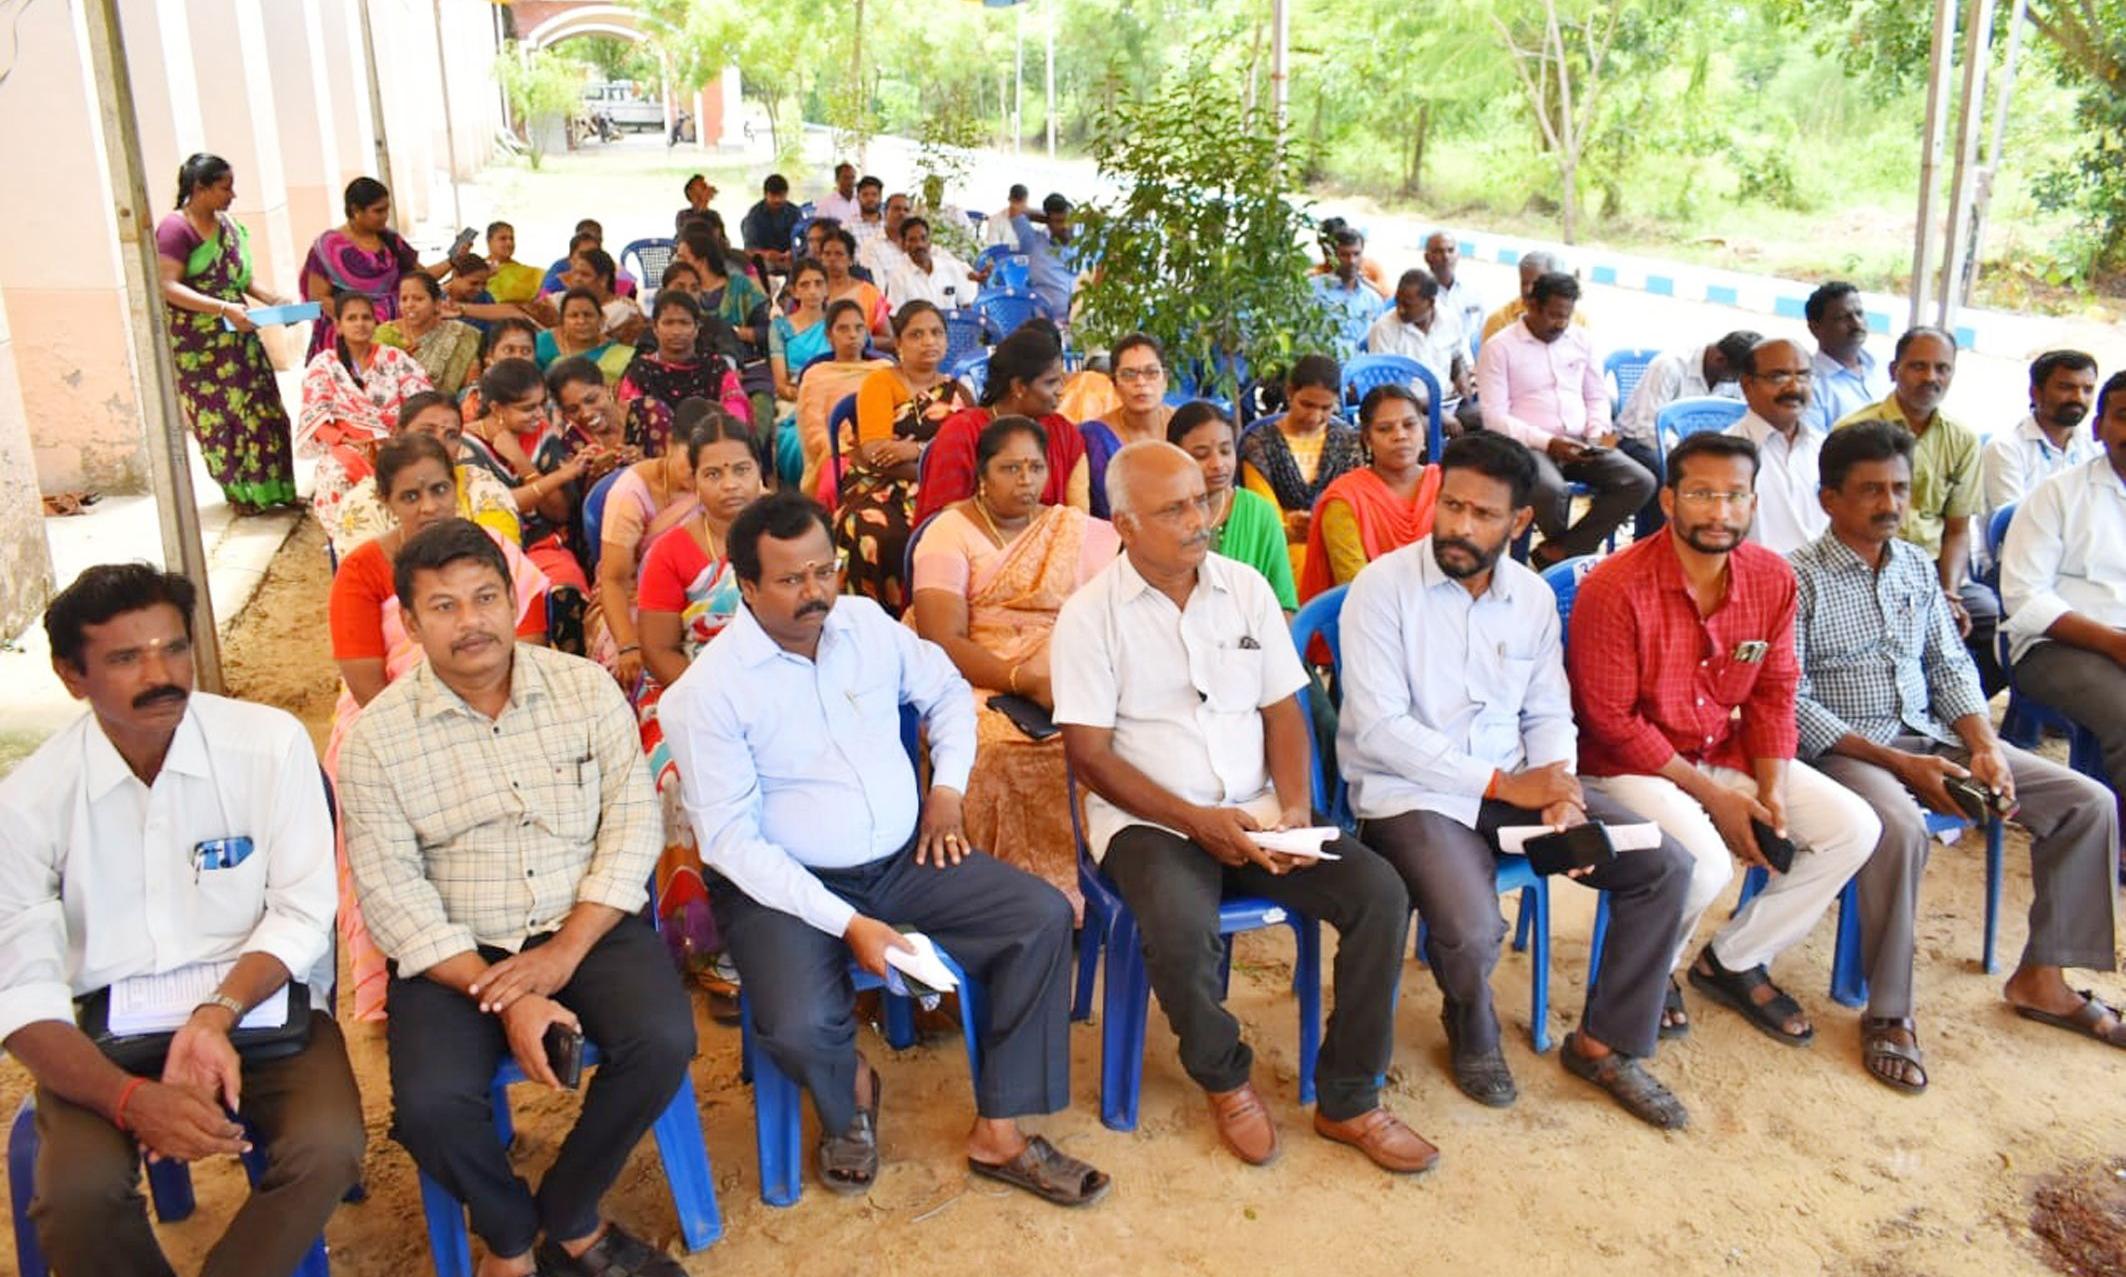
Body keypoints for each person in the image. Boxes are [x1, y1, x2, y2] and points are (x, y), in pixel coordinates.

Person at [659, 493, 1111, 1205]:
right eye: (790, 580)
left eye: (823, 570)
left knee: (1040, 916)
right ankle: (851, 1094)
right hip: (783, 884)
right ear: (744, 586)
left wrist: (949, 791)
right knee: (801, 1020)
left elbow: (947, 695)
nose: (815, 593)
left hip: (904, 858)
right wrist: (849, 924)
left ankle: (1000, 1130)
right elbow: (731, 842)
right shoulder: (706, 693)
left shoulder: (865, 625)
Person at [1052, 441, 1434, 1173]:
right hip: (1152, 823)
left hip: (1259, 812)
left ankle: (1350, 1095)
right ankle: (1225, 1076)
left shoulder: (1247, 588)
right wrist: (1198, 823)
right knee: (1177, 921)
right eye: (1176, 508)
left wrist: (1294, 805)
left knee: (1379, 891)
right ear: (1125, 524)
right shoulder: (1088, 616)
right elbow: (1090, 757)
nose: (1200, 518)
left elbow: (1283, 711)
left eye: (1203, 499)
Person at [339, 518, 692, 1277]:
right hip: (458, 952)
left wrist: (563, 954)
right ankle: (507, 1236)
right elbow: (393, 891)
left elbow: (633, 824)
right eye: (443, 606)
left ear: (512, 601)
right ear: (409, 621)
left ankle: (568, 1210)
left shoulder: (585, 688)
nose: (471, 622)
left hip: (584, 922)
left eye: (485, 597)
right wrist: (504, 991)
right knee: (430, 1106)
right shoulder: (376, 738)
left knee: (664, 1040)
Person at [0, 565, 361, 1277]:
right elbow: (22, 989)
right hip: (110, 1037)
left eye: (173, 648)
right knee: (73, 1195)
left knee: (329, 1145)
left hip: (254, 1008)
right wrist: (130, 1100)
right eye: (127, 657)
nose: (161, 673)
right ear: (72, 675)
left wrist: (214, 1015)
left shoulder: (268, 745)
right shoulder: (31, 801)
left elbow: (301, 909)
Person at [1338, 433, 1695, 1126]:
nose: (1460, 527)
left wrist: (1559, 781)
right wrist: (1506, 783)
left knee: (1661, 864)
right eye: (1451, 506)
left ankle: (1604, 1042)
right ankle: (1471, 1021)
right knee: (1473, 930)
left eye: (1483, 514)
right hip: (1412, 794)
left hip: (1519, 785)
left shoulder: (1529, 596)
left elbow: (1548, 706)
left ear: (1520, 521)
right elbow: (1381, 731)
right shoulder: (1383, 589)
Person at [1793, 420, 2122, 1090]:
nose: (1890, 504)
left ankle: (2042, 978)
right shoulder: (1797, 578)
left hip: (1933, 734)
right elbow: (1793, 703)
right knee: (1900, 826)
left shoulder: (1915, 565)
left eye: (1901, 488)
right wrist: (1902, 765)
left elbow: (1949, 668)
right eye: (1870, 491)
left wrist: (1983, 746)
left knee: (2087, 802)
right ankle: (1888, 1012)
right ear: (1829, 499)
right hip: (1847, 748)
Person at [1569, 431, 1879, 1044]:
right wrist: (1717, 801)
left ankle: (1733, 958)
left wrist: (1774, 789)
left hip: (1716, 748)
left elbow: (1775, 691)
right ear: (1668, 501)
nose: (1719, 512)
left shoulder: (1770, 577)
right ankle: (1652, 973)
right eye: (1702, 494)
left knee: (1853, 828)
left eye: (1735, 496)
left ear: (1754, 504)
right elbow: (1612, 722)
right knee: (1701, 866)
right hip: (1627, 765)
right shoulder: (1615, 586)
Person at [328, 435, 551, 1021]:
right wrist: (433, 732)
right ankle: (399, 970)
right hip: (392, 717)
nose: (427, 506)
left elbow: (527, 648)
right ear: (385, 503)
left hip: (501, 700)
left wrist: (487, 712)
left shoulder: (494, 551)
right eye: (410, 496)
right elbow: (363, 680)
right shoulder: (362, 570)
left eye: (437, 491)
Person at [911, 416, 1123, 917]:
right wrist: (1021, 680)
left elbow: (1115, 607)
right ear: (982, 474)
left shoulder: (1068, 530)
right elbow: (942, 639)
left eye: (1034, 467)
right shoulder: (949, 532)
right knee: (988, 748)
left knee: (1121, 734)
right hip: (975, 674)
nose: (1025, 480)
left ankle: (1098, 891)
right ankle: (997, 906)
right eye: (1009, 468)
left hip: (1064, 670)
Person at [633, 414, 767, 975]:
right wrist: (711, 704)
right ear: (694, 481)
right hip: (685, 686)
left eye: (741, 469)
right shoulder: (670, 551)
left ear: (761, 471)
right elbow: (658, 648)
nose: (730, 484)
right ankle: (707, 939)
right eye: (714, 473)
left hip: (780, 687)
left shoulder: (789, 534)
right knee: (679, 776)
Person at [1834, 327, 2000, 695]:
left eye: (1943, 368)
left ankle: (1940, 704)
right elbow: (1838, 522)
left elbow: (1958, 530)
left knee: (1993, 622)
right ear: (1894, 370)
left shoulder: (1962, 439)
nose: (1931, 378)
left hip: (1934, 573)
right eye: (1918, 366)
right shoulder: (1854, 431)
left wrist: (1949, 592)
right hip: (1866, 569)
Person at [2001, 370, 2126, 797]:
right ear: (2098, 427)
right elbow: (2025, 598)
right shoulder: (2058, 494)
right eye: (2124, 416)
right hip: (2055, 647)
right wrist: (2113, 643)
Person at [154, 153, 300, 513]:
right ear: (199, 188)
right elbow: (167, 285)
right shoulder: (175, 229)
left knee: (264, 411)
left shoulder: (229, 227)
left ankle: (276, 489)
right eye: (224, 187)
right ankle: (241, 495)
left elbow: (240, 277)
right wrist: (221, 308)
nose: (232, 195)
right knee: (224, 418)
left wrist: (272, 298)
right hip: (201, 344)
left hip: (241, 335)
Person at [1477, 271, 1653, 567]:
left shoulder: (1581, 340)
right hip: (1526, 446)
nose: (1560, 324)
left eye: (1566, 316)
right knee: (1550, 490)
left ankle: (1559, 552)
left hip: (1581, 441)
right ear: (1531, 306)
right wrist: (1548, 442)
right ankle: (1571, 560)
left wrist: (1597, 432)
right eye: (1553, 315)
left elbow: (1597, 395)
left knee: (1641, 480)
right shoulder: (1499, 347)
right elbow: (1494, 418)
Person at [834, 302, 978, 607]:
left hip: (945, 486)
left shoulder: (960, 392)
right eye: (916, 335)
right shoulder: (880, 383)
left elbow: (971, 450)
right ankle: (875, 621)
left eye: (937, 333)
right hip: (878, 485)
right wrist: (936, 462)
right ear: (898, 343)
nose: (929, 341)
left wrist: (915, 450)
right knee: (876, 535)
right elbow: (875, 454)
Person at [915, 326, 1089, 529]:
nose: (1061, 391)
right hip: (972, 549)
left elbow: (1079, 517)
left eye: (1061, 380)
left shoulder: (1064, 433)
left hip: (1053, 548)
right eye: (1051, 383)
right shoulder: (962, 432)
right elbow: (944, 520)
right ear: (1019, 387)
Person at [587, 399, 708, 688]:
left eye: (708, 465)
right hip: (635, 599)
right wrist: (628, 644)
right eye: (689, 459)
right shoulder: (631, 492)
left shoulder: (724, 481)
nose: (698, 470)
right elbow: (614, 580)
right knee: (638, 674)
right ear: (669, 444)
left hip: (705, 593)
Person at [328, 391, 523, 563]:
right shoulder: (364, 499)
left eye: (451, 435)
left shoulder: (481, 486)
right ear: (398, 434)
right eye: (427, 432)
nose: (439, 443)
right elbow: (363, 574)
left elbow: (501, 559)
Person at [300, 291, 434, 537]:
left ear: (375, 323)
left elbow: (422, 400)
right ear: (338, 326)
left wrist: (402, 433)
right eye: (352, 318)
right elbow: (316, 415)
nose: (360, 323)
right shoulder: (324, 364)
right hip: (348, 447)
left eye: (366, 317)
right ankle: (349, 548)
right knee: (335, 478)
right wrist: (346, 441)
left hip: (396, 442)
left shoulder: (394, 358)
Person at [1298, 383, 1444, 599]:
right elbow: (1356, 588)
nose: (1400, 435)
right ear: (1367, 439)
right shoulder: (1345, 500)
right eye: (1385, 429)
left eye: (1409, 425)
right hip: (1373, 619)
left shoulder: (1448, 487)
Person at [1616, 331, 1758, 532]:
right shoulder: (1669, 366)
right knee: (1667, 476)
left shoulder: (1731, 375)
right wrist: (1692, 455)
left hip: (1698, 451)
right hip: (1641, 443)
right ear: (1721, 360)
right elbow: (1645, 427)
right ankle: (1654, 543)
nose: (1741, 383)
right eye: (1738, 377)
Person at [1169, 400, 1298, 610]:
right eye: (1201, 455)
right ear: (1175, 456)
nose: (1218, 464)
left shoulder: (1259, 513)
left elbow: (1284, 604)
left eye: (1226, 451)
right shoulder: (1160, 517)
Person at [1240, 354, 1363, 570]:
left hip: (1339, 543)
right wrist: (1291, 529)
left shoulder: (1347, 441)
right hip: (1280, 545)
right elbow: (1264, 518)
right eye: (1307, 405)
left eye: (1325, 409)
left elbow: (1357, 505)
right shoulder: (1260, 445)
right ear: (1289, 393)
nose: (1314, 417)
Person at [302, 176, 448, 358]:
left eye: (387, 210)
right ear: (356, 210)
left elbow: (423, 278)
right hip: (352, 339)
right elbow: (319, 297)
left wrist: (453, 261)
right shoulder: (329, 247)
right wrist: (362, 323)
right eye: (378, 211)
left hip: (397, 334)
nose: (385, 216)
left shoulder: (391, 240)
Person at [1726, 337, 1828, 554]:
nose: (1794, 387)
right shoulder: (1725, 455)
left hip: (1826, 581)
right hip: (1758, 580)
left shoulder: (1825, 448)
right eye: (1778, 376)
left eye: (1803, 375)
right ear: (1747, 385)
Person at [1982, 350, 2101, 517]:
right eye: (2066, 387)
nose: (2078, 398)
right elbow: (2015, 524)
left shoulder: (2095, 450)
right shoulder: (2005, 448)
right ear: (2035, 392)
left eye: (2087, 390)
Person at [619, 292, 739, 458]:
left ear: (697, 328)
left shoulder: (714, 367)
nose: (676, 331)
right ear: (655, 328)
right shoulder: (640, 370)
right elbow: (626, 415)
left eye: (684, 323)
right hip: (653, 460)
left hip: (712, 451)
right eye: (668, 323)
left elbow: (736, 407)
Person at [795, 299, 894, 493]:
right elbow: (814, 433)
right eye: (843, 329)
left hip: (886, 449)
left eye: (859, 328)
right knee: (833, 486)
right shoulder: (816, 376)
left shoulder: (885, 369)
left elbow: (900, 414)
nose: (852, 335)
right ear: (829, 335)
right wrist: (848, 452)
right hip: (838, 455)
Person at [1364, 268, 1474, 432]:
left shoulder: (1450, 319)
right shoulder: (1383, 329)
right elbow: (1388, 392)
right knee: (1427, 429)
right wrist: (1437, 412)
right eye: (1397, 301)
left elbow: (1456, 358)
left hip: (1449, 401)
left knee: (1481, 419)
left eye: (1407, 305)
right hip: (1407, 407)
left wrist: (1462, 380)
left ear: (1430, 302)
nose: (1400, 309)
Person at [1081, 333, 1175, 518]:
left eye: (1151, 373)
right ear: (1114, 384)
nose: (1140, 383)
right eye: (1128, 375)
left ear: (1165, 380)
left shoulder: (1186, 425)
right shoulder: (1094, 437)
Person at [1800, 281, 1890, 433]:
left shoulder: (1883, 367)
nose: (1857, 324)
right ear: (1815, 327)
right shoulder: (1811, 386)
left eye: (1859, 314)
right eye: (1843, 318)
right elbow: (1815, 448)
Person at [377, 272, 482, 397]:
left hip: (446, 411)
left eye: (418, 299)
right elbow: (374, 383)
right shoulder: (385, 334)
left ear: (437, 303)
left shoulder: (461, 335)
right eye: (404, 299)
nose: (409, 305)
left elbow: (470, 389)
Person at [1479, 252, 1588, 342]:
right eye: (1524, 283)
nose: (1528, 289)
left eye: (1536, 283)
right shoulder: (1500, 320)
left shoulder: (1579, 320)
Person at [1313, 227, 1387, 357]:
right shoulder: (1313, 289)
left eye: (1356, 254)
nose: (1352, 261)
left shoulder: (1373, 300)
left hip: (1359, 371)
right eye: (1345, 255)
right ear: (1333, 256)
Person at [884, 215, 984, 310]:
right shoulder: (897, 276)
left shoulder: (950, 267)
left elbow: (967, 304)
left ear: (930, 241)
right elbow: (895, 317)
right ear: (904, 245)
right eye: (912, 240)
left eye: (923, 238)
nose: (919, 245)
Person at [533, 289, 633, 385]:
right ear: (562, 321)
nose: (581, 321)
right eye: (573, 315)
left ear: (602, 318)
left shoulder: (620, 355)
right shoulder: (542, 342)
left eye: (588, 315)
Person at [770, 258, 833, 400]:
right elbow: (781, 384)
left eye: (818, 283)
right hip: (798, 398)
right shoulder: (780, 327)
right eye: (805, 285)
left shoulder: (838, 323)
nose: (812, 291)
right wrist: (806, 397)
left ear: (826, 288)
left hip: (836, 392)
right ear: (794, 292)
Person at [819, 227, 893, 347]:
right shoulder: (812, 292)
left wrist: (860, 342)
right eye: (827, 254)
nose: (832, 259)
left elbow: (888, 338)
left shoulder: (869, 293)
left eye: (839, 254)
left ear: (851, 259)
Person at [1013, 192, 1079, 322]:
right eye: (1059, 221)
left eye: (1069, 221)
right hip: (1048, 321)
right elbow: (1016, 210)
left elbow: (1107, 224)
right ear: (1047, 222)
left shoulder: (1085, 243)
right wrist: (1043, 216)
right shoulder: (1033, 242)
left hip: (1084, 321)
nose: (1065, 226)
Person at [1425, 231, 1487, 362]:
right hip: (1431, 365)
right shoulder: (1418, 292)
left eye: (1451, 250)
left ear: (1458, 255)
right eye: (1438, 251)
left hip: (1468, 365)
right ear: (1427, 257)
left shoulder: (1473, 292)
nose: (1446, 257)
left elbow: (1482, 334)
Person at [1309, 217, 1391, 296]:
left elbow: (1386, 295)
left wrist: (1359, 279)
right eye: (1325, 248)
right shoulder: (1315, 275)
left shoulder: (1370, 266)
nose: (1351, 260)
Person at [743, 174, 801, 272]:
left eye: (781, 196)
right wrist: (765, 254)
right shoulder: (754, 215)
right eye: (773, 196)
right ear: (765, 194)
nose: (777, 200)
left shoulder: (794, 212)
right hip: (766, 260)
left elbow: (803, 239)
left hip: (790, 258)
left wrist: (793, 252)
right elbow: (749, 249)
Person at [484, 221, 543, 304]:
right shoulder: (477, 269)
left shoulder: (532, 272)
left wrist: (537, 302)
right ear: (489, 241)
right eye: (503, 238)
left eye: (511, 238)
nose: (509, 243)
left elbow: (547, 291)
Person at [860, 192, 913, 278]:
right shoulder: (871, 246)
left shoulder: (918, 246)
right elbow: (874, 286)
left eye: (906, 210)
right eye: (896, 209)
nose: (902, 214)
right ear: (885, 213)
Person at [985, 183, 1031, 247]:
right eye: (1016, 203)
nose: (1019, 208)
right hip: (1003, 255)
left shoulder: (1030, 219)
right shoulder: (995, 220)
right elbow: (993, 247)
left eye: (1022, 204)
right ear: (1009, 199)